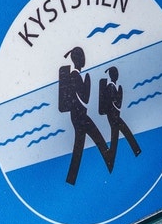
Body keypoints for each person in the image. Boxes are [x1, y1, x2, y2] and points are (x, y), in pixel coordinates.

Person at [57, 47, 112, 184]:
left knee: (79, 147)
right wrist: (88, 83)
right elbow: (84, 99)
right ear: (79, 59)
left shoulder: (75, 76)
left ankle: (71, 178)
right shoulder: (75, 76)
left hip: (78, 116)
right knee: (96, 138)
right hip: (79, 116)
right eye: (83, 57)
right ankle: (109, 162)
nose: (84, 59)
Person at [98, 66, 141, 164]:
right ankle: (135, 150)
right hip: (113, 116)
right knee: (120, 133)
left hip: (116, 115)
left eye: (117, 73)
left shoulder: (116, 87)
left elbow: (118, 103)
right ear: (111, 75)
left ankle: (113, 156)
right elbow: (113, 103)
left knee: (117, 135)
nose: (116, 75)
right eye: (114, 74)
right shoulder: (110, 87)